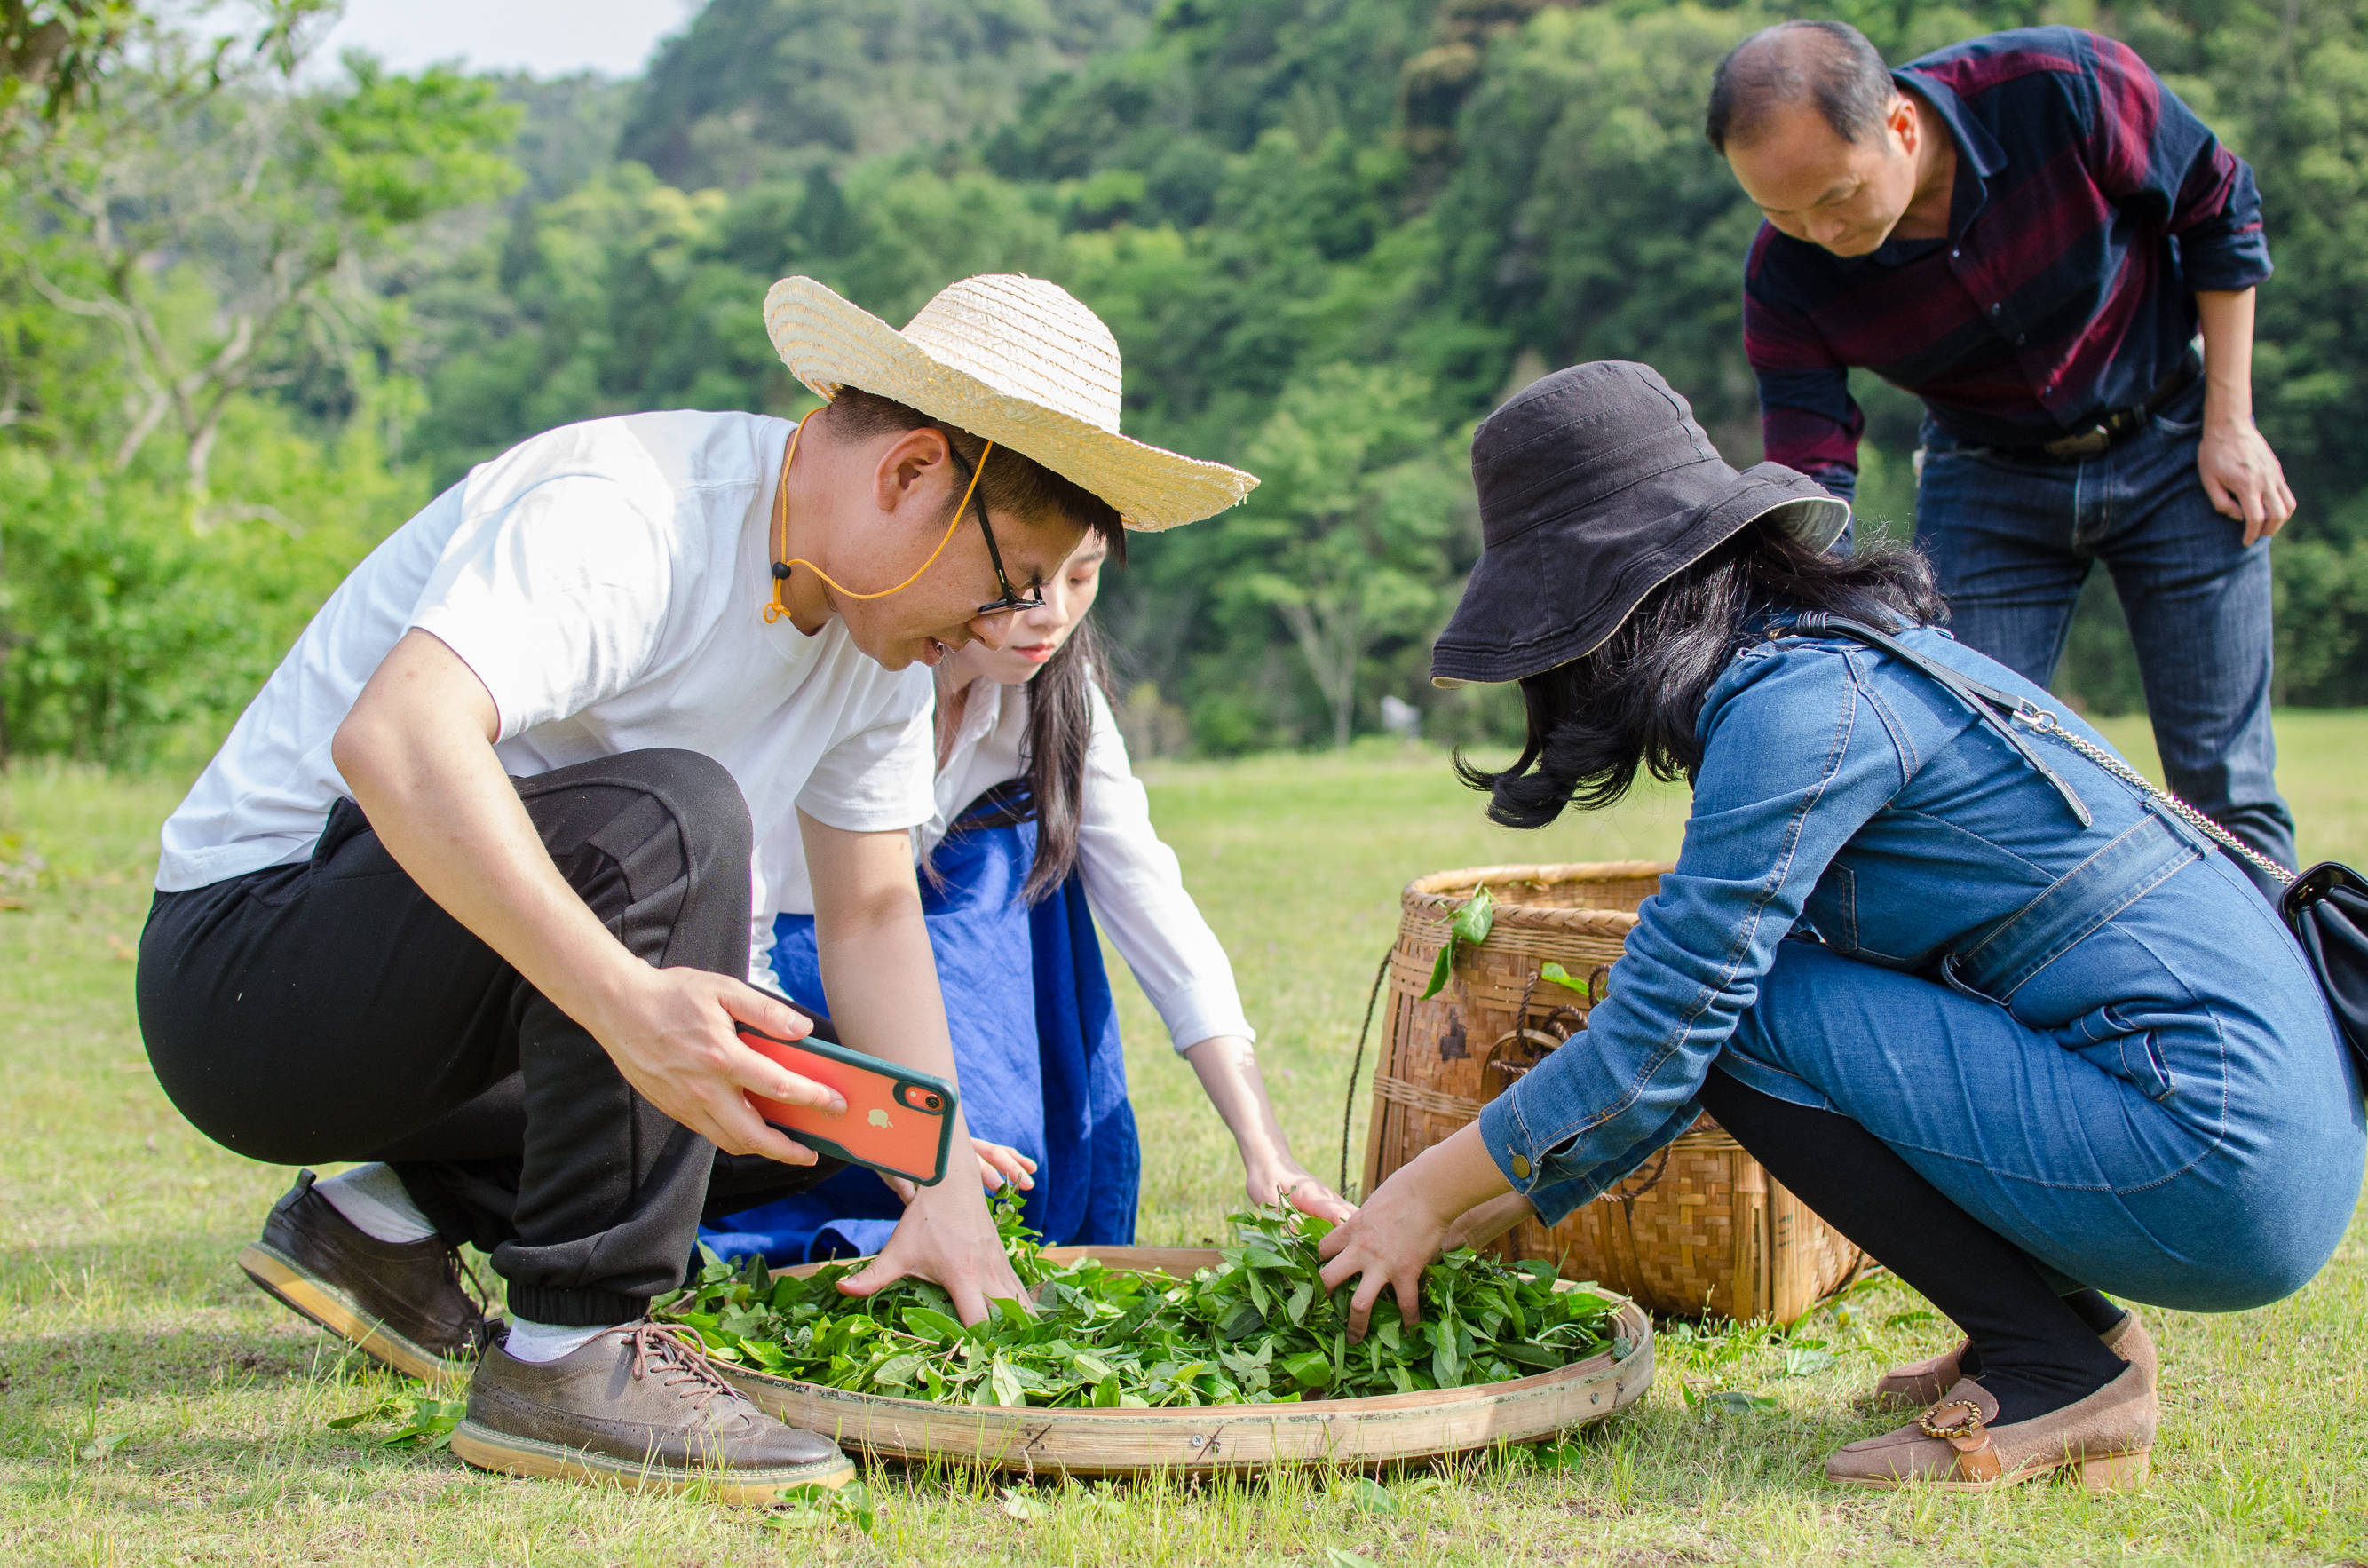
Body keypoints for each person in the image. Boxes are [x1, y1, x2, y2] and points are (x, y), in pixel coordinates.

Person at [132, 273, 1255, 1500]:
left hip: (446, 1025)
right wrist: (626, 1002)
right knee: (674, 813)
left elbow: (872, 908)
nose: (1016, 624)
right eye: (1012, 579)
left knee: (801, 1096)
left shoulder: (877, 643)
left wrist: (937, 1194)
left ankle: (381, 1221)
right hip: (254, 976)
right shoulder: (634, 511)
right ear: (907, 474)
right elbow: (397, 742)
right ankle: (569, 1352)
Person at [1318, 360, 2360, 1491]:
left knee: (1744, 1012)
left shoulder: (1793, 710)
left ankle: (2053, 1365)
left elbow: (1663, 1033)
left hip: (2216, 1159)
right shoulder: (1851, 657)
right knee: (1760, 988)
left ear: (1612, 620)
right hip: (2271, 1143)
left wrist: (1418, 1195)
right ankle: (2068, 1331)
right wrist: (1484, 1202)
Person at [1706, 20, 2299, 891]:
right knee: (1973, 784)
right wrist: (1803, 620)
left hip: (2173, 437)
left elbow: (2219, 204)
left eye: (1834, 197)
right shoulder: (1785, 275)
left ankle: (2299, 1015)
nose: (1816, 230)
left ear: (1900, 128)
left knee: (2226, 789)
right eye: (1778, 211)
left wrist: (2231, 421)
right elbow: (1813, 466)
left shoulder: (2061, 87)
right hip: (1987, 478)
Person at [703, 528, 1353, 1265]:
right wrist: (886, 1118)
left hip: (928, 922)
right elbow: (746, 938)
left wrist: (1265, 1149)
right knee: (919, 1155)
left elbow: (1151, 901)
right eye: (1024, 579)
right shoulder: (850, 673)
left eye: (1083, 578)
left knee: (1007, 1151)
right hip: (788, 955)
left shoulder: (1053, 693)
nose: (1051, 614)